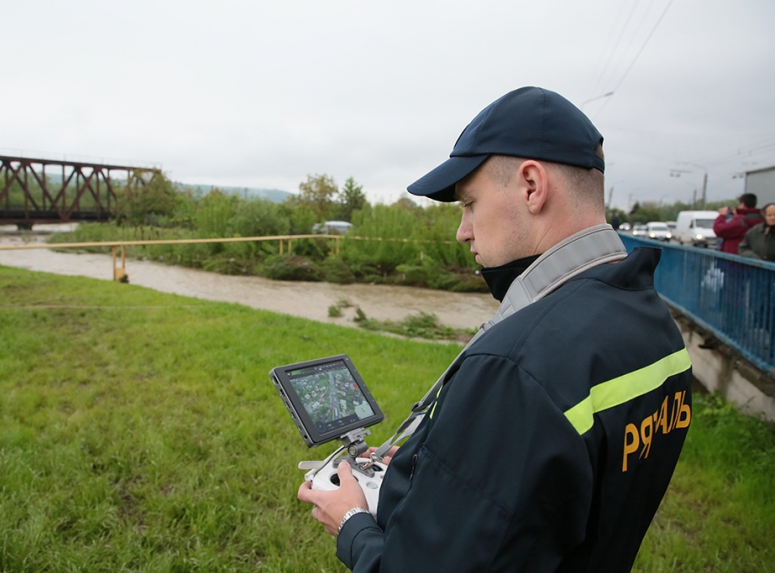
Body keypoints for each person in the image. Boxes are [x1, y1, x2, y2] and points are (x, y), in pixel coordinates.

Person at [297, 86, 693, 572]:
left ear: (531, 186)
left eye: (469, 203)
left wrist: (354, 524)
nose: (462, 230)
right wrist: (442, 460)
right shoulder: (652, 324)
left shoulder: (514, 368)